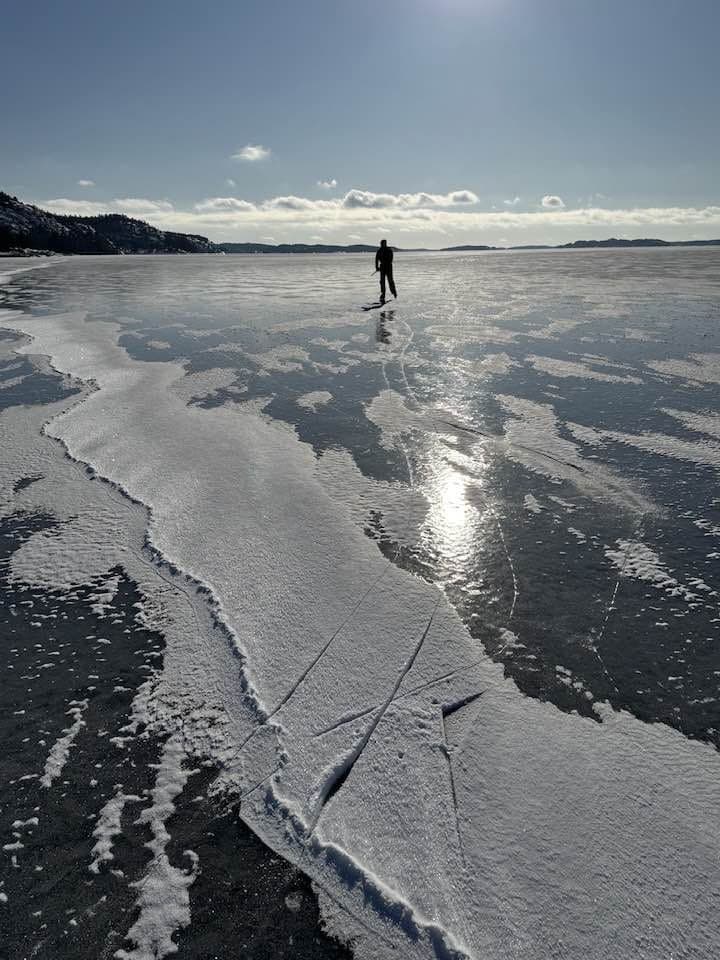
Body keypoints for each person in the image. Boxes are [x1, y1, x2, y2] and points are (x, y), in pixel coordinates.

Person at [374, 238, 397, 303]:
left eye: (382, 243)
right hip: (382, 267)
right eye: (381, 243)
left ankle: (394, 293)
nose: (381, 244)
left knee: (390, 281)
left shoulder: (389, 250)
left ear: (385, 243)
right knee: (382, 282)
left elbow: (391, 259)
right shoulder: (379, 250)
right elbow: (376, 259)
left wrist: (385, 264)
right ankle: (383, 295)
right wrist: (377, 267)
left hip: (388, 267)